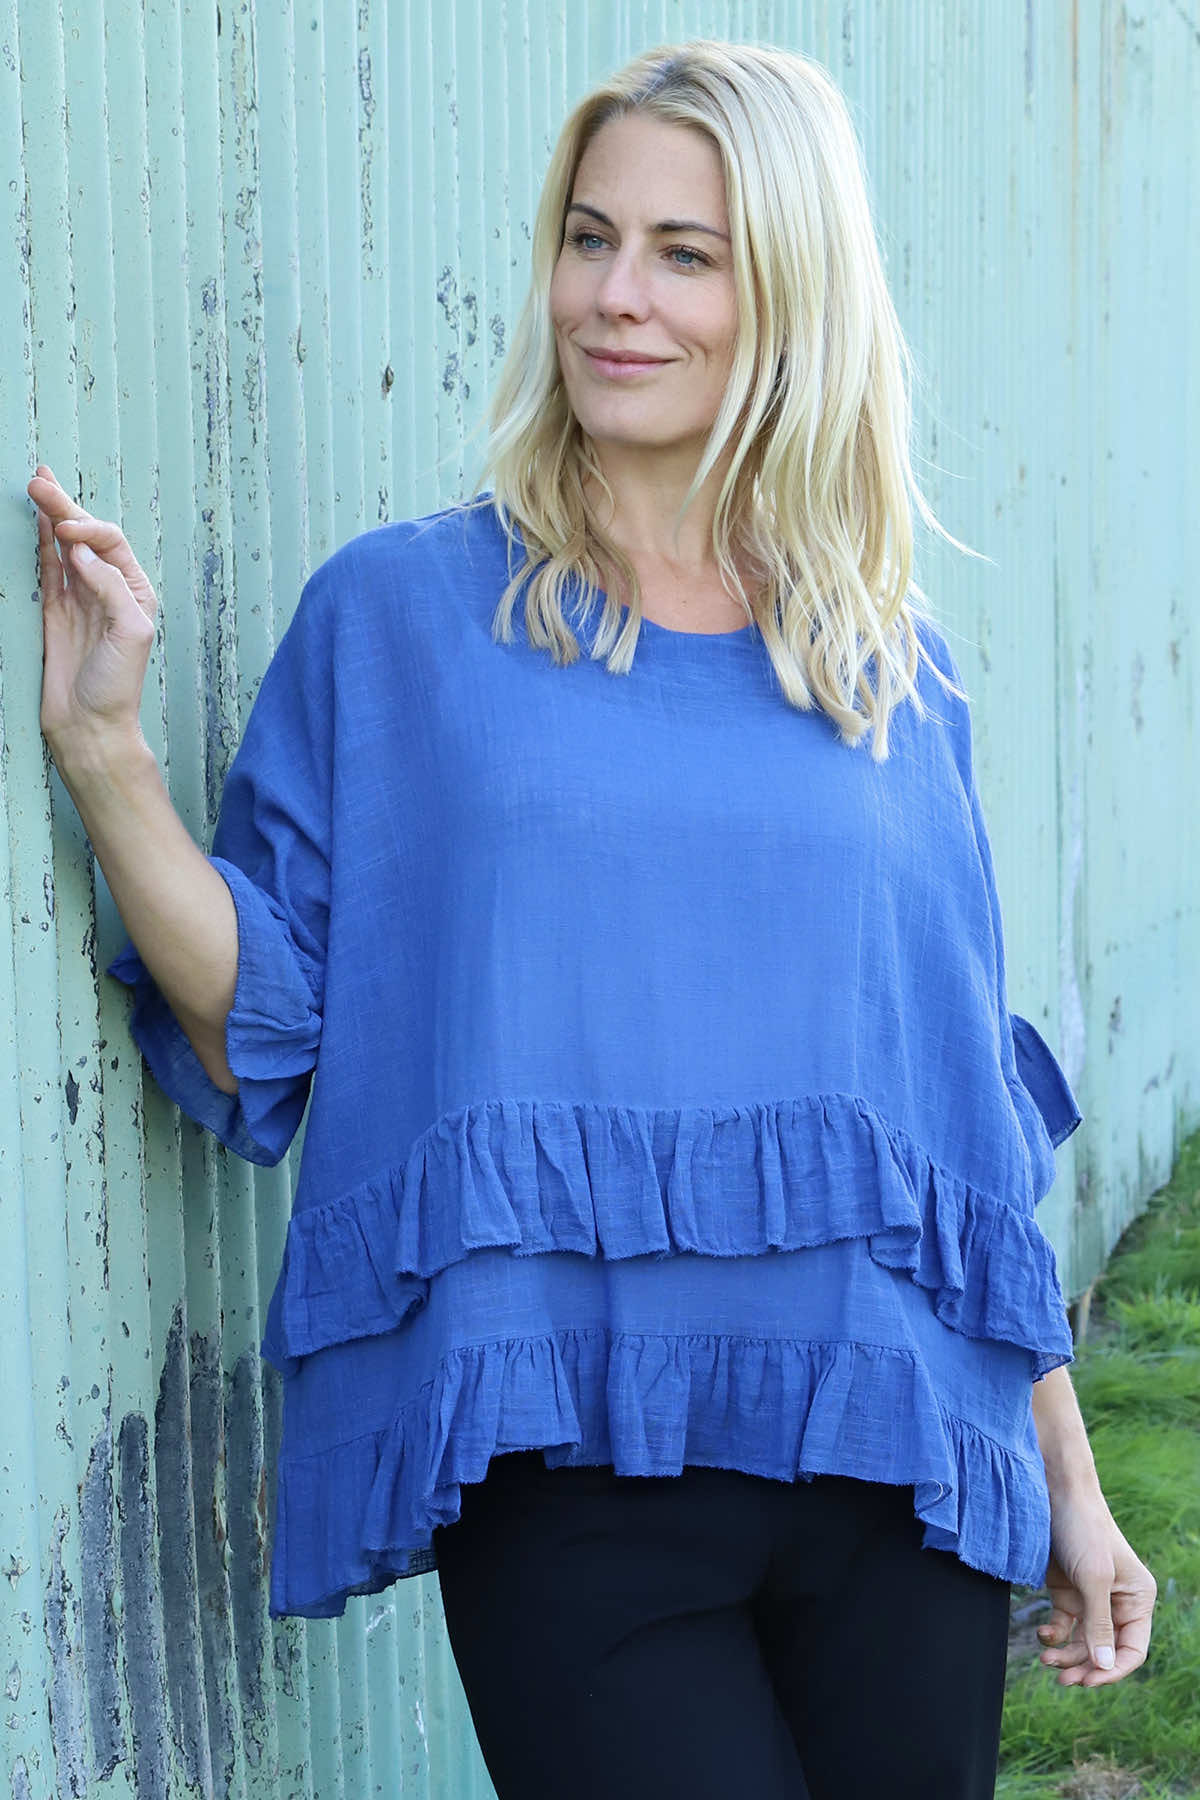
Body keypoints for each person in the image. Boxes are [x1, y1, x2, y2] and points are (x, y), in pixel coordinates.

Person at [29, 37, 1154, 1800]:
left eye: (684, 254)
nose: (615, 296)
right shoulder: (401, 618)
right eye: (588, 237)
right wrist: (106, 753)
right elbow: (268, 1025)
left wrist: (1069, 1488)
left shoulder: (888, 668)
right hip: (571, 1474)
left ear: (792, 296)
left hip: (900, 1461)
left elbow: (959, 1128)